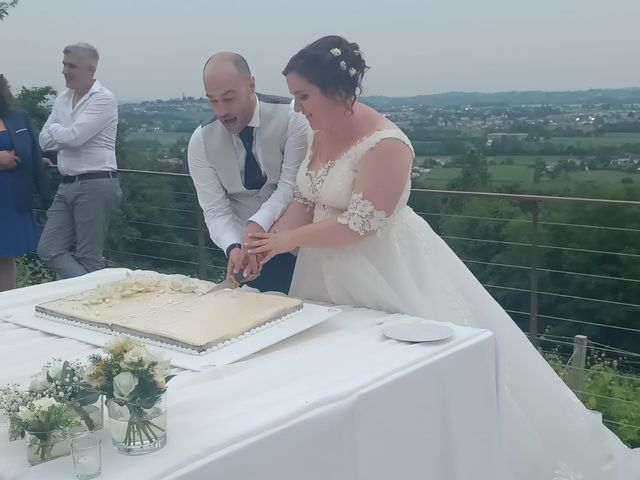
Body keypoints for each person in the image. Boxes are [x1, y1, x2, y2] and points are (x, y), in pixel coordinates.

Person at [245, 35, 640, 479]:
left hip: (389, 274)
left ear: (337, 92)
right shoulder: (319, 133)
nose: (296, 108)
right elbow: (304, 196)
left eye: (303, 96)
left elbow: (358, 224)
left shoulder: (386, 144)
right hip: (323, 272)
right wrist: (267, 243)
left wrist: (284, 241)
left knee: (413, 373)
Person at [187, 52, 308, 294]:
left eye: (229, 98)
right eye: (213, 101)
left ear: (251, 85)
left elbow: (291, 187)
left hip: (303, 247)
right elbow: (215, 210)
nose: (222, 111)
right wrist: (233, 247)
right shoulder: (200, 142)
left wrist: (256, 226)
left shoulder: (293, 117)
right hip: (249, 260)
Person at [38, 43, 121, 279]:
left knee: (88, 257)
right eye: (64, 64)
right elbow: (44, 141)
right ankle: (92, 288)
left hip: (95, 183)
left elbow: (74, 138)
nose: (64, 70)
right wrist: (63, 132)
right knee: (49, 249)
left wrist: (57, 129)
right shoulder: (62, 99)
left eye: (71, 65)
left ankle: (90, 303)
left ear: (90, 69)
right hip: (67, 184)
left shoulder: (104, 99)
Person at [0, 74, 50, 291]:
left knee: (6, 256)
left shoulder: (19, 117)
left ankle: (6, 313)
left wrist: (37, 161)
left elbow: (32, 151)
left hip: (11, 199)